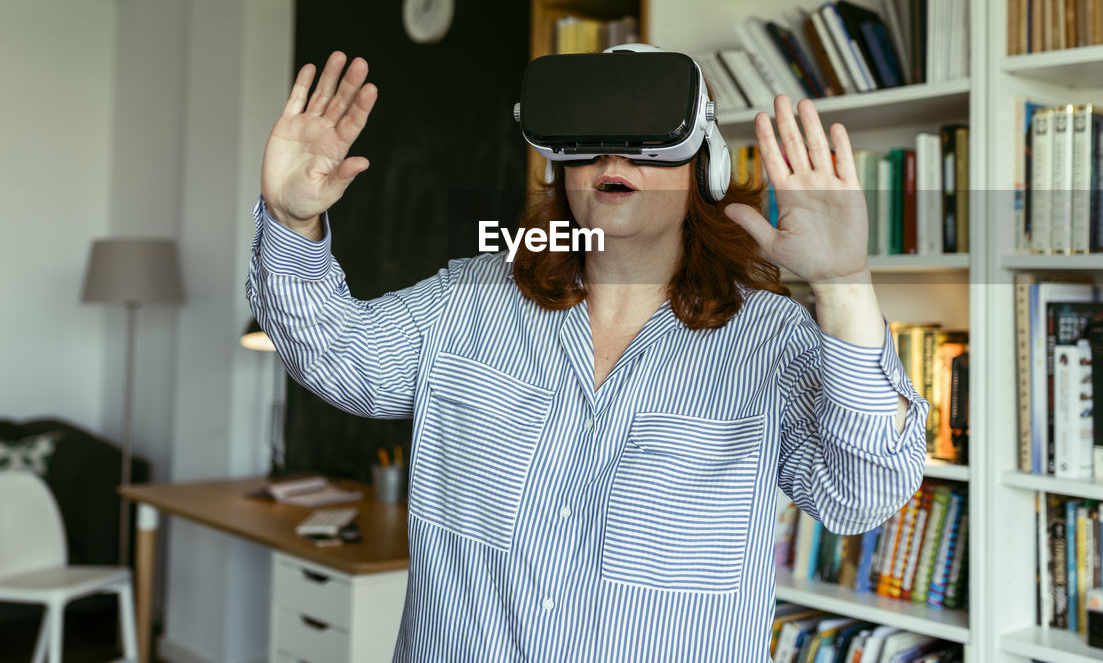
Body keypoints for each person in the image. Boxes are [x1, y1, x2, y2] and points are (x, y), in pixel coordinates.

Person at [246, 50, 928, 662]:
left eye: (645, 136)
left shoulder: (770, 342)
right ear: (557, 162)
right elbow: (332, 352)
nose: (613, 159)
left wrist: (843, 285)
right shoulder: (469, 298)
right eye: (590, 138)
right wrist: (290, 221)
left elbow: (861, 492)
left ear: (706, 163)